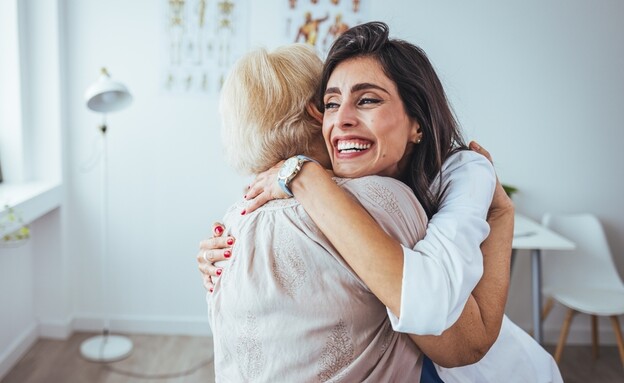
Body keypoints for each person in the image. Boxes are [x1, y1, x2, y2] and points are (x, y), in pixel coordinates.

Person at [203, 22, 563, 382]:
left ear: (416, 123)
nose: (341, 119)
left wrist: (305, 175)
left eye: (368, 99)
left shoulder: (460, 173)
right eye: (330, 103)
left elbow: (462, 341)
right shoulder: (318, 193)